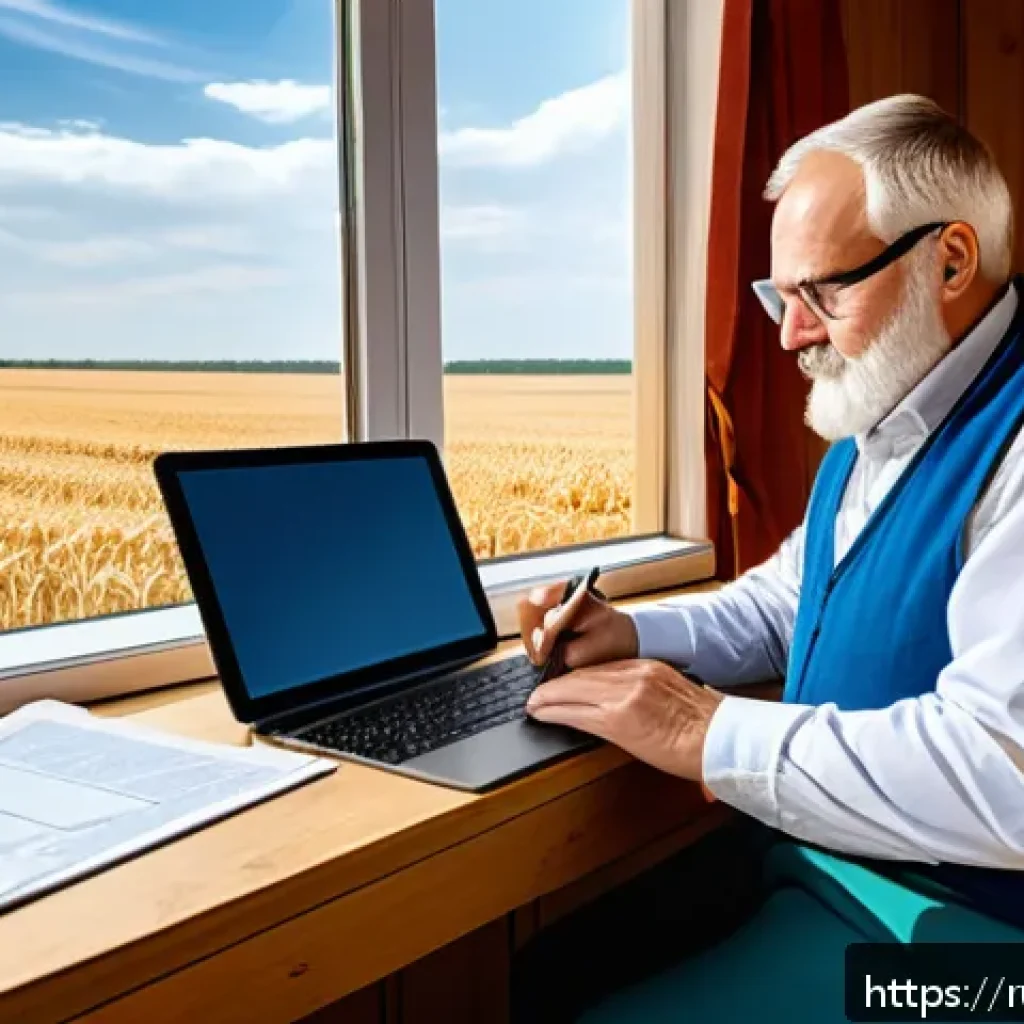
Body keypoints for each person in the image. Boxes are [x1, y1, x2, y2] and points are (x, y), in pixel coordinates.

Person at [512, 94, 1024, 1021]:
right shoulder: (891, 408)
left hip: (984, 950)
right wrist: (635, 630)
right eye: (779, 296)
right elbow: (797, 597)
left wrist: (705, 731)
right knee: (551, 969)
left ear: (950, 260)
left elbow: (1005, 770)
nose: (791, 334)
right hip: (848, 865)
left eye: (823, 292)